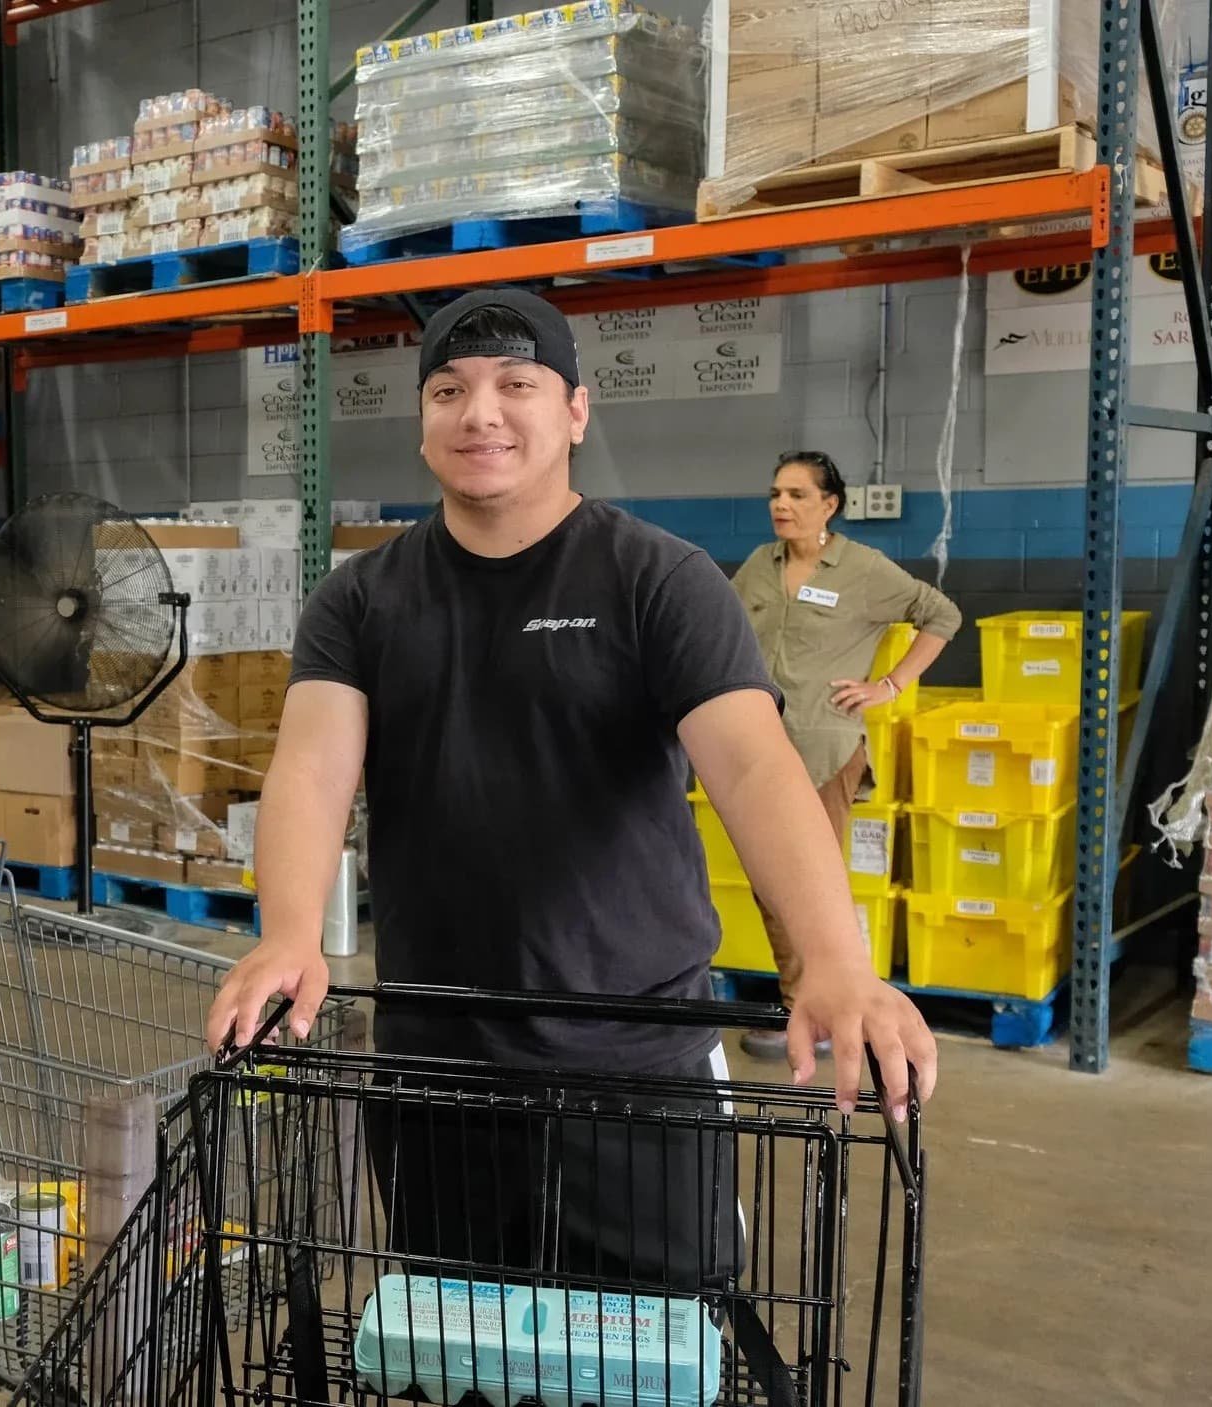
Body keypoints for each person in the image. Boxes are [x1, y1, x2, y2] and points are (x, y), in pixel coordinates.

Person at [201, 289, 939, 1306]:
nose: (481, 413)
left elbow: (754, 768)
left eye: (517, 385)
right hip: (436, 1060)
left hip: (631, 1059)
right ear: (422, 425)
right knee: (456, 1349)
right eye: (450, 391)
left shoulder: (657, 581)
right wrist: (288, 930)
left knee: (654, 1349)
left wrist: (836, 963)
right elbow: (312, 765)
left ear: (576, 412)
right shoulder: (362, 599)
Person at [729, 449, 961, 1057]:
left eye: (798, 495)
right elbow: (723, 626)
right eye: (776, 494)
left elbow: (942, 615)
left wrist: (889, 685)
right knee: (769, 882)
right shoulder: (759, 565)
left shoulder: (863, 569)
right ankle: (797, 1005)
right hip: (758, 749)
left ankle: (829, 1011)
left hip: (825, 747)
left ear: (830, 505)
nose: (782, 504)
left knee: (814, 884)